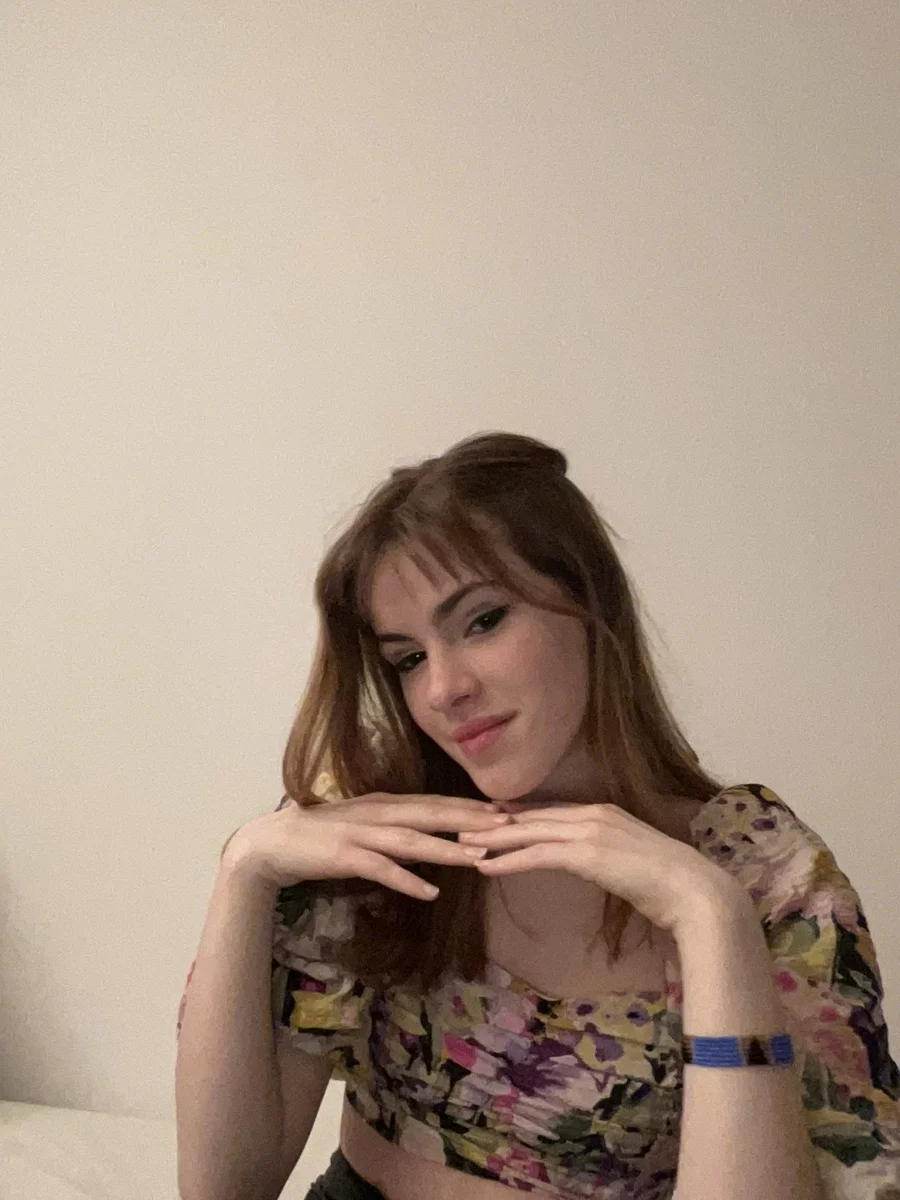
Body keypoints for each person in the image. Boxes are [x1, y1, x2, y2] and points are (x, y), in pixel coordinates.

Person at [175, 431, 900, 1200]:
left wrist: (710, 916)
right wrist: (245, 868)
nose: (443, 689)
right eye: (408, 658)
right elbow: (222, 1186)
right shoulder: (379, 838)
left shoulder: (765, 872)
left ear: (590, 601)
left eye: (483, 620)